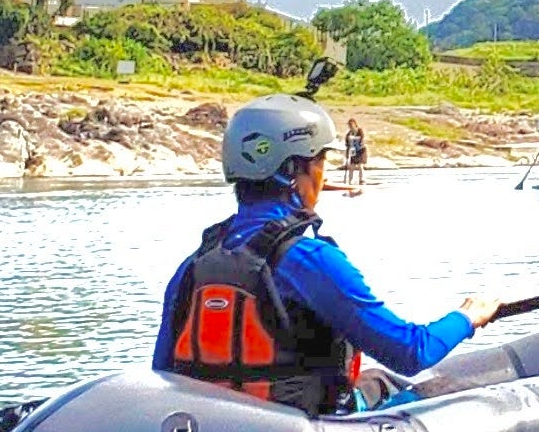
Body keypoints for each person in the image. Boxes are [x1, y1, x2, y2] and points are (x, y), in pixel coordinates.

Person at [154, 90, 498, 413]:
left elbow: (163, 371)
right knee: (448, 393)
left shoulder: (194, 265)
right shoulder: (308, 260)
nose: (322, 174)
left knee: (377, 381)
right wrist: (468, 316)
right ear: (293, 170)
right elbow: (411, 351)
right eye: (320, 160)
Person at [342, 118, 367, 189]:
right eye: (349, 125)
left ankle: (362, 180)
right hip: (353, 151)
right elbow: (347, 145)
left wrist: (354, 139)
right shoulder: (348, 134)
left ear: (355, 124)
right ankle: (350, 181)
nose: (350, 126)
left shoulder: (360, 131)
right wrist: (347, 155)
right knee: (351, 166)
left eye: (351, 124)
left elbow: (362, 139)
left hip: (361, 150)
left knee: (360, 165)